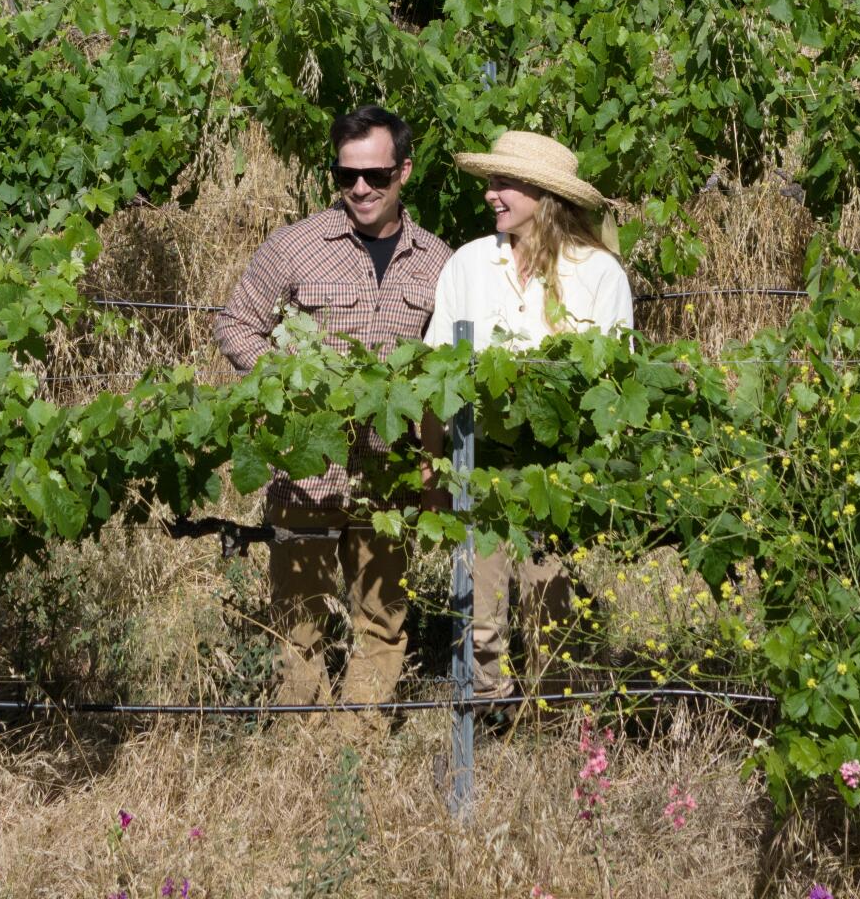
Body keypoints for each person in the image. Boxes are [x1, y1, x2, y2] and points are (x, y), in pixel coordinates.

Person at [216, 104, 453, 707]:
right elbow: (235, 326)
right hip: (305, 470)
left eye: (374, 175)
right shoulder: (294, 247)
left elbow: (444, 372)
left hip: (389, 471)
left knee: (382, 619)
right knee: (298, 622)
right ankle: (305, 744)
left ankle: (361, 740)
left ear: (404, 171)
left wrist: (432, 471)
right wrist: (291, 384)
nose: (360, 188)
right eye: (345, 175)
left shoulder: (438, 262)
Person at [425, 130, 632, 716]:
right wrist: (433, 464)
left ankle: (550, 726)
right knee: (480, 612)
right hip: (478, 463)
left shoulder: (598, 274)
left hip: (559, 472)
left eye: (504, 183)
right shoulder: (469, 264)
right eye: (491, 182)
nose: (491, 194)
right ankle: (487, 713)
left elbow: (610, 386)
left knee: (553, 608)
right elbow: (439, 374)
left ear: (544, 194)